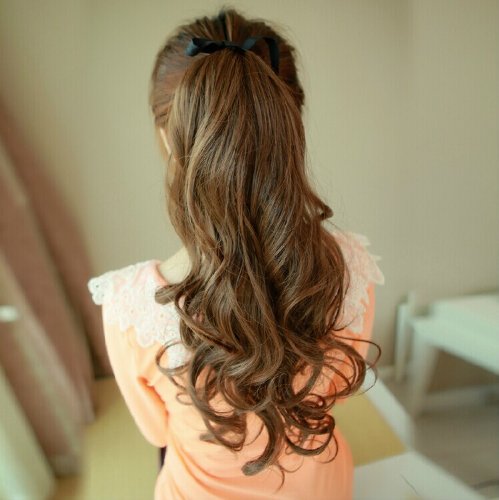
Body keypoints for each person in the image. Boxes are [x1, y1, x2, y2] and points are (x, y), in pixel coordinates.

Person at [87, 7, 385, 499]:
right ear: (289, 125)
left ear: (169, 138)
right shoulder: (353, 270)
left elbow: (156, 433)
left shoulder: (128, 308)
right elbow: (335, 397)